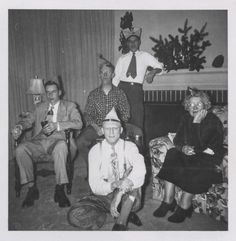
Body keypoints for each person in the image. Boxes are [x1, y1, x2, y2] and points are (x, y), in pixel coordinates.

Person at [153, 89, 225, 223]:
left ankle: (184, 205)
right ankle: (168, 200)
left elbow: (199, 146)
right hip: (191, 153)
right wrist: (182, 148)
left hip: (208, 158)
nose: (195, 107)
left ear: (205, 105)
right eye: (191, 105)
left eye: (199, 104)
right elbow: (178, 140)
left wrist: (196, 123)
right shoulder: (186, 118)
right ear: (187, 106)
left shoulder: (212, 120)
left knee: (196, 162)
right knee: (172, 153)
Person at [12, 78, 83, 208]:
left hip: (59, 140)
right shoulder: (40, 107)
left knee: (61, 147)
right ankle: (31, 188)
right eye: (48, 92)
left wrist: (57, 125)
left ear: (60, 92)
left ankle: (60, 189)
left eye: (53, 92)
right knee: (20, 149)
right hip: (39, 141)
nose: (50, 95)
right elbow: (28, 121)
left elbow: (79, 124)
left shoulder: (69, 106)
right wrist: (19, 127)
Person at [88, 108, 146, 230]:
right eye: (107, 128)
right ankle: (121, 211)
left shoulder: (129, 147)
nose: (111, 132)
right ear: (102, 130)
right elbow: (94, 185)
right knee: (75, 215)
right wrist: (114, 185)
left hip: (126, 193)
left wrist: (119, 193)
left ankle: (121, 223)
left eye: (115, 128)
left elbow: (141, 168)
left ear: (121, 130)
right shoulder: (95, 151)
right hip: (104, 194)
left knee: (133, 187)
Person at [76, 62, 130, 176]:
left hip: (115, 127)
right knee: (80, 142)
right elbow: (87, 114)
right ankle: (93, 170)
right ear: (99, 75)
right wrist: (96, 127)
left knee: (130, 138)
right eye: (102, 73)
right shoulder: (93, 94)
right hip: (98, 127)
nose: (105, 75)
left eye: (107, 72)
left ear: (113, 75)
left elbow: (126, 114)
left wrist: (115, 127)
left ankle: (119, 171)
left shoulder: (120, 93)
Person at [112, 27, 163, 129]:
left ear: (139, 42)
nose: (133, 43)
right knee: (121, 120)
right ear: (127, 44)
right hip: (122, 89)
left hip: (136, 91)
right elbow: (116, 79)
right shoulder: (122, 58)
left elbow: (160, 66)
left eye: (135, 41)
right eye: (130, 41)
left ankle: (136, 143)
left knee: (137, 120)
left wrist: (152, 72)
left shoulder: (145, 56)